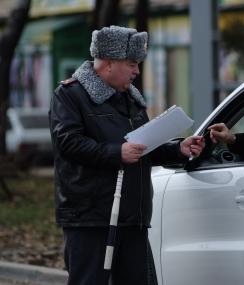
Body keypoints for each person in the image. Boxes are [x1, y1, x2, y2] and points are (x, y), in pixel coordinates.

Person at [49, 25, 204, 285]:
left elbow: (142, 148)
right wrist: (116, 152)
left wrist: (178, 149)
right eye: (132, 64)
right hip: (91, 218)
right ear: (109, 63)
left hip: (133, 217)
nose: (137, 71)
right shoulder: (70, 95)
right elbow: (68, 142)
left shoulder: (131, 98)